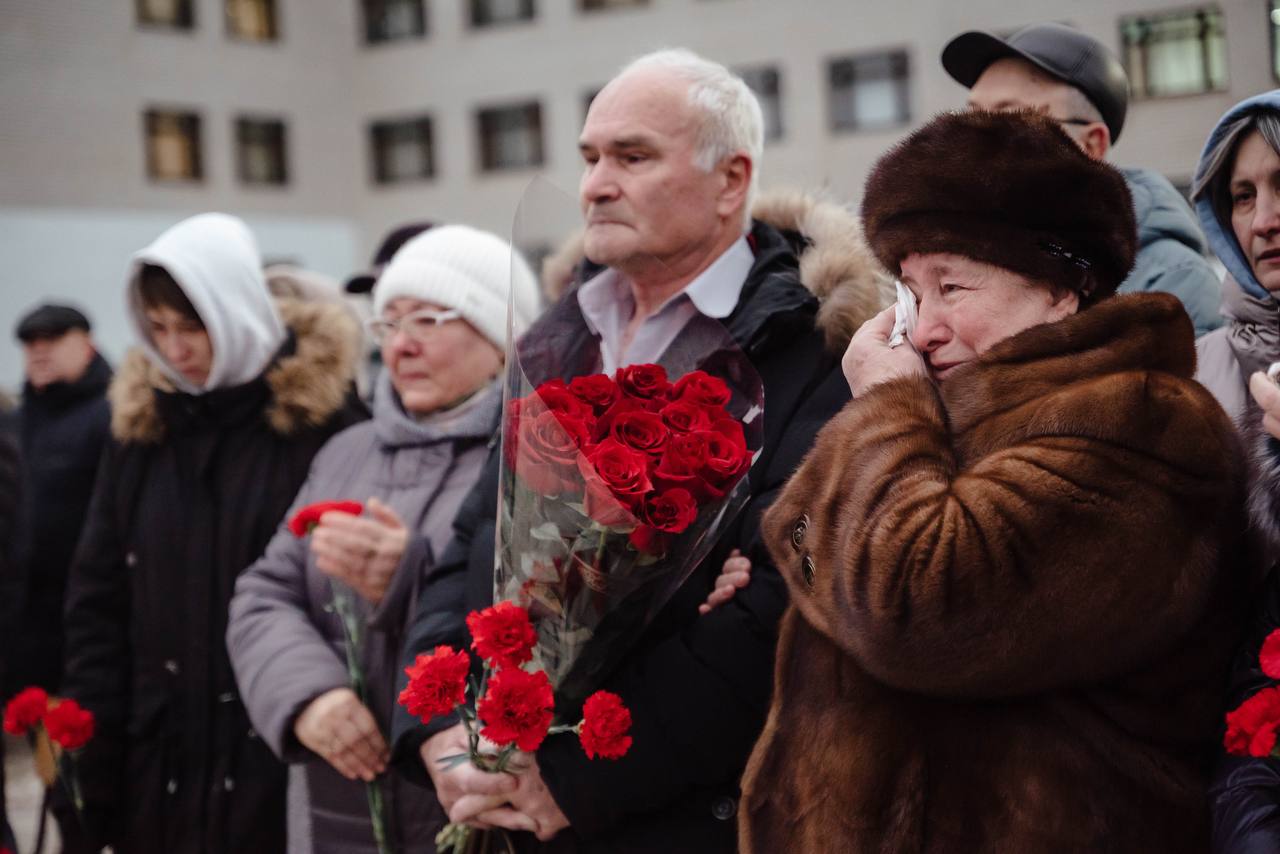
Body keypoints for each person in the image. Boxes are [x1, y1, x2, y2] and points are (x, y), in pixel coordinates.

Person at [389, 48, 886, 852]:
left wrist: (583, 778)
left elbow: (784, 606)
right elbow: (471, 548)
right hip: (509, 807)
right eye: (589, 158)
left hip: (698, 819)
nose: (595, 185)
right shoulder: (557, 336)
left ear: (732, 181)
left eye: (633, 156)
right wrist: (442, 733)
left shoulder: (819, 343)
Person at [738, 109, 1248, 853]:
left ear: (1062, 286)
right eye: (910, 289)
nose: (921, 326)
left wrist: (883, 409)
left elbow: (916, 611)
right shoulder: (938, 420)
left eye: (953, 286)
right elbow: (798, 539)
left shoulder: (1145, 423)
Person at [227, 225, 541, 854]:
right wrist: (309, 697)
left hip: (466, 802)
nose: (399, 347)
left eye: (426, 320)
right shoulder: (349, 451)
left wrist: (414, 579)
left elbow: (551, 620)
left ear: (500, 338)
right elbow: (264, 591)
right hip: (334, 801)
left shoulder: (536, 455)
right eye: (387, 325)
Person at [60, 212, 366, 854]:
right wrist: (90, 764)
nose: (176, 351)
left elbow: (352, 607)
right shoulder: (142, 432)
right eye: (159, 329)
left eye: (193, 327)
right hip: (160, 760)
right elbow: (99, 600)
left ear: (236, 311)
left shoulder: (321, 425)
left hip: (281, 754)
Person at [942, 22, 1223, 335]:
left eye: (1009, 120)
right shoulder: (953, 262)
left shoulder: (1172, 283)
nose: (976, 140)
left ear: (1091, 145)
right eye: (971, 118)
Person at [1181, 90, 1280, 852]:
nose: (1263, 220)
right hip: (1234, 764)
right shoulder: (1197, 370)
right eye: (1241, 195)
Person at [9, 304, 112, 696]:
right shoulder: (16, 423)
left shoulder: (110, 417)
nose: (39, 350)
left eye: (51, 339)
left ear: (87, 345)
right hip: (21, 617)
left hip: (79, 615)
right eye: (30, 343)